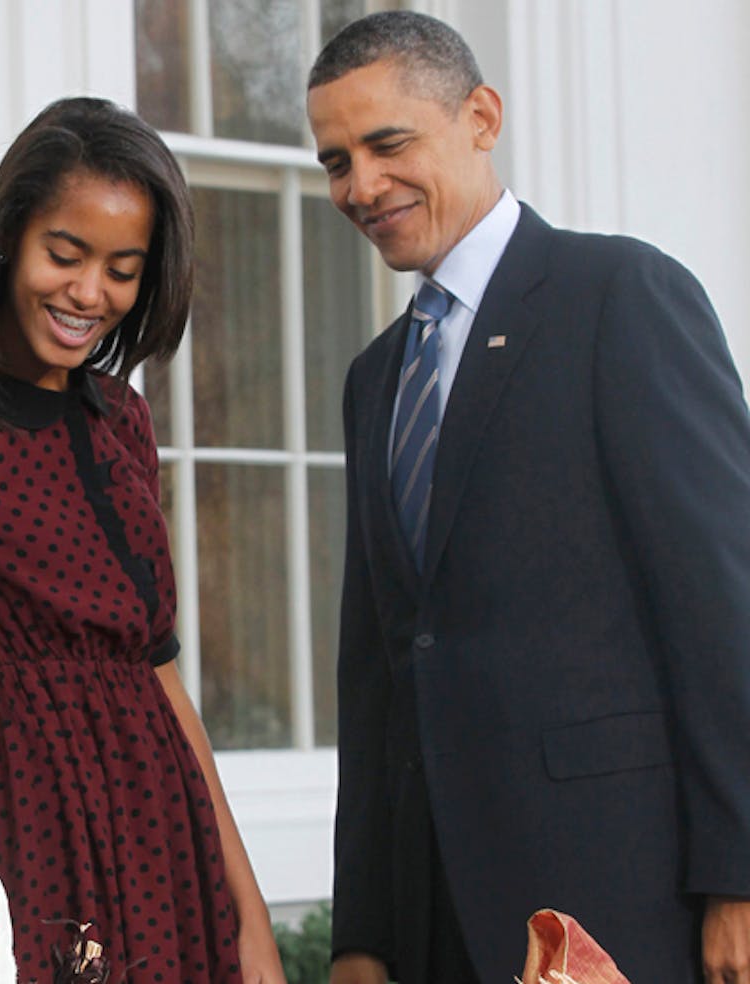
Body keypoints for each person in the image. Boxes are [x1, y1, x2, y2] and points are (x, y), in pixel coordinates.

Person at [305, 11, 750, 984]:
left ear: (479, 116)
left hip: (618, 898)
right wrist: (363, 935)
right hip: (433, 921)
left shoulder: (619, 295)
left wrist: (739, 876)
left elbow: (721, 606)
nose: (359, 186)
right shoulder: (374, 377)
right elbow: (375, 673)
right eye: (335, 161)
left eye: (386, 144)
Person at [0, 95, 286, 983]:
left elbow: (159, 671)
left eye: (123, 269)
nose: (90, 295)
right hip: (22, 803)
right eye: (65, 254)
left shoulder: (122, 419)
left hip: (161, 821)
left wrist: (248, 912)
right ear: (8, 239)